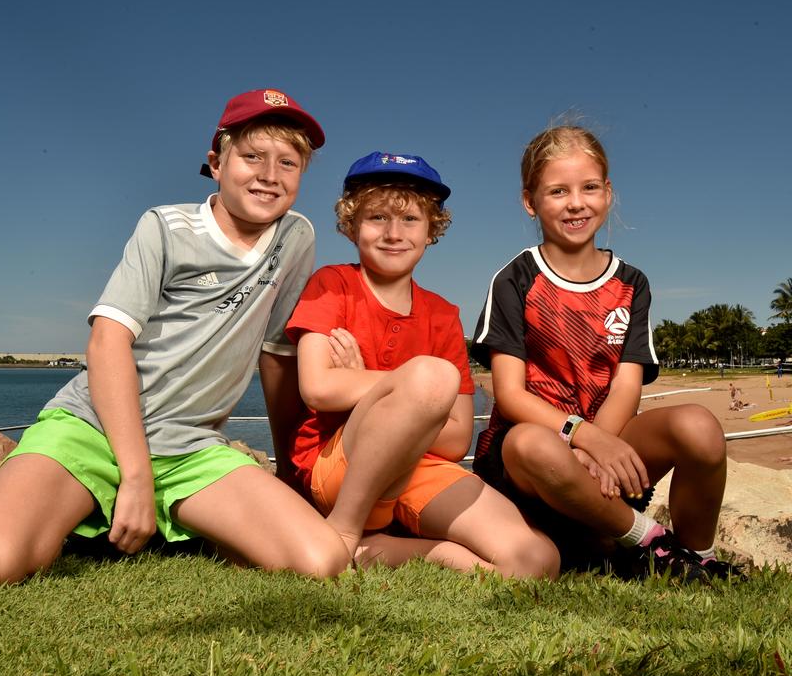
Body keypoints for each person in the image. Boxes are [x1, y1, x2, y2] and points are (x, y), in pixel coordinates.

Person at [0, 88, 352, 584]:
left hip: (189, 446)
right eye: (252, 156)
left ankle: (168, 515)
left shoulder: (296, 238)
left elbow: (276, 357)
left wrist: (294, 472)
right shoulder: (164, 226)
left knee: (321, 561)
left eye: (288, 163)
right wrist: (135, 474)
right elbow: (107, 341)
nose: (270, 175)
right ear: (216, 162)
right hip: (95, 427)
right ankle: (99, 502)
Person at [471, 125, 741, 581]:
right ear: (529, 200)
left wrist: (600, 448)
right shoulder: (516, 279)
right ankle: (651, 543)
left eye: (589, 187)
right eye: (558, 191)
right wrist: (583, 438)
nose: (576, 202)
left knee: (699, 426)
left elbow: (625, 383)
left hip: (608, 452)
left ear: (608, 192)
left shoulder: (631, 283)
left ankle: (696, 560)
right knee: (531, 443)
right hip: (533, 467)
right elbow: (510, 395)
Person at [281, 152, 559, 578]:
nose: (393, 233)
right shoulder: (332, 284)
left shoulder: (443, 314)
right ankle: (343, 531)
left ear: (432, 230)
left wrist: (362, 384)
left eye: (410, 220)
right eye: (377, 218)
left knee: (537, 560)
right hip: (339, 466)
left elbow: (455, 439)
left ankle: (385, 550)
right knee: (433, 375)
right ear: (352, 225)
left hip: (419, 468)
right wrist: (410, 389)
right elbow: (317, 388)